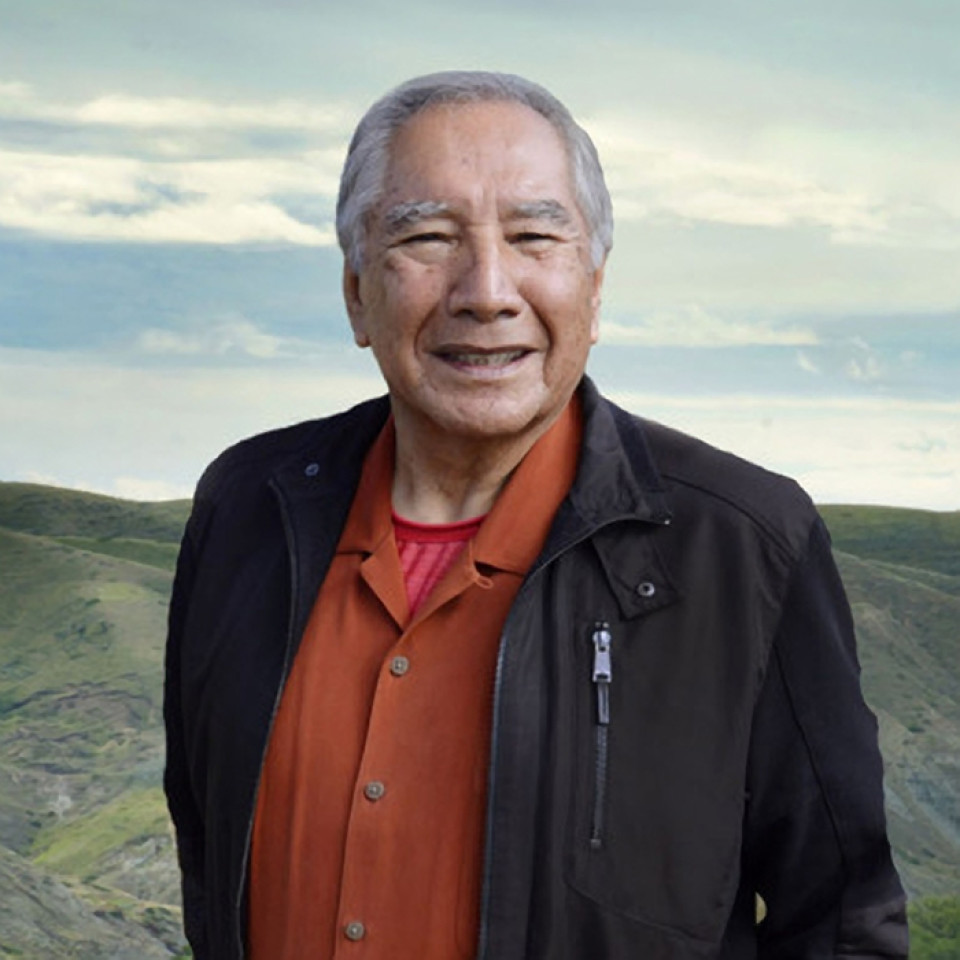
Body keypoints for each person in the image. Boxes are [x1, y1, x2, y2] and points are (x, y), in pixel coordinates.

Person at [163, 71, 908, 960]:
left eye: (533, 236)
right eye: (429, 236)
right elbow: (209, 854)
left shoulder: (745, 543)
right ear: (357, 293)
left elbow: (840, 926)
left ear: (593, 289)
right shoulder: (247, 508)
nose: (486, 290)